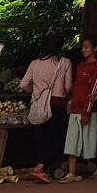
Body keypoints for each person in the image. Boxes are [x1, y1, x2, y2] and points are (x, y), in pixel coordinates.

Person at [17, 38, 72, 183]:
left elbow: (23, 84)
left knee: (42, 138)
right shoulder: (65, 62)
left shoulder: (34, 63)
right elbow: (67, 88)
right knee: (59, 138)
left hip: (38, 105)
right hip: (57, 104)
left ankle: (42, 168)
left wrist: (36, 92)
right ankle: (41, 167)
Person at [61, 36, 97, 182]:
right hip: (75, 108)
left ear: (95, 48)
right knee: (72, 141)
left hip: (88, 110)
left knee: (91, 141)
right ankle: (72, 172)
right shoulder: (80, 66)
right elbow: (77, 87)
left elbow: (93, 92)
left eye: (87, 47)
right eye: (83, 47)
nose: (84, 50)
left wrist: (87, 111)